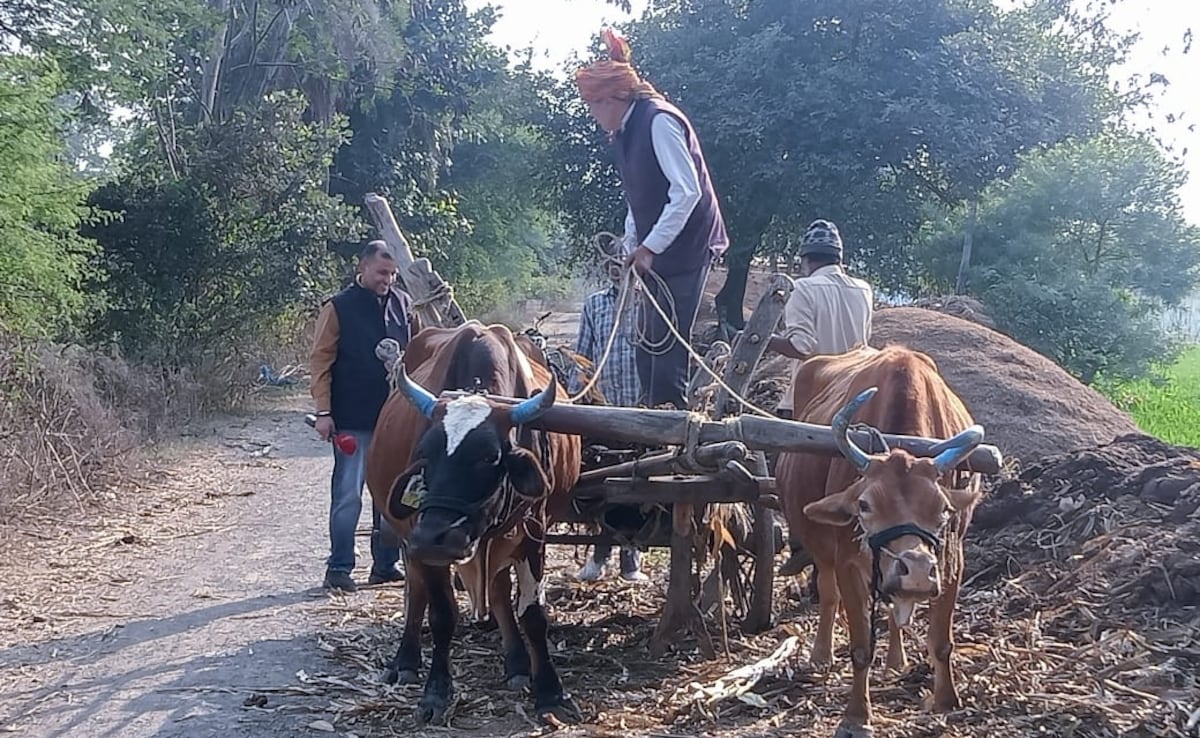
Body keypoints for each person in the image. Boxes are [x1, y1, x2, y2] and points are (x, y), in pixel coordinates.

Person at [575, 29, 728, 411]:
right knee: (647, 342)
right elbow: (641, 198)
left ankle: (670, 420)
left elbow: (687, 192)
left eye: (593, 105)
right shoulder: (626, 130)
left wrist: (649, 247)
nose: (593, 115)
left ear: (613, 98)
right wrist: (632, 243)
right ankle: (651, 413)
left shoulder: (658, 121)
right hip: (662, 251)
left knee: (667, 343)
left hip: (689, 248)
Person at [309, 241, 420, 592]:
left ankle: (385, 565)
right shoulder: (338, 307)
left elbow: (417, 356)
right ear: (363, 267)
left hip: (396, 423)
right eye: (381, 272)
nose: (387, 279)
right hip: (352, 419)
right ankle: (339, 568)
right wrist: (324, 412)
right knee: (348, 495)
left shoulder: (405, 305)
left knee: (389, 495)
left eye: (392, 274)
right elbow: (320, 361)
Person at [767, 219, 874, 576]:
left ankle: (800, 540)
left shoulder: (803, 289)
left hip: (815, 396)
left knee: (783, 470)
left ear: (806, 259)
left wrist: (761, 339)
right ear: (838, 258)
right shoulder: (863, 289)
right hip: (857, 394)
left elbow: (802, 346)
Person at [570, 256, 648, 582]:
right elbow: (583, 355)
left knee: (640, 484)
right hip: (605, 409)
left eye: (624, 262)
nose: (619, 269)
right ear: (608, 269)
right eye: (614, 264)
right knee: (602, 484)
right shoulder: (595, 305)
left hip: (645, 411)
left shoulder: (650, 304)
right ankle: (599, 557)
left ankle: (630, 559)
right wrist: (573, 402)